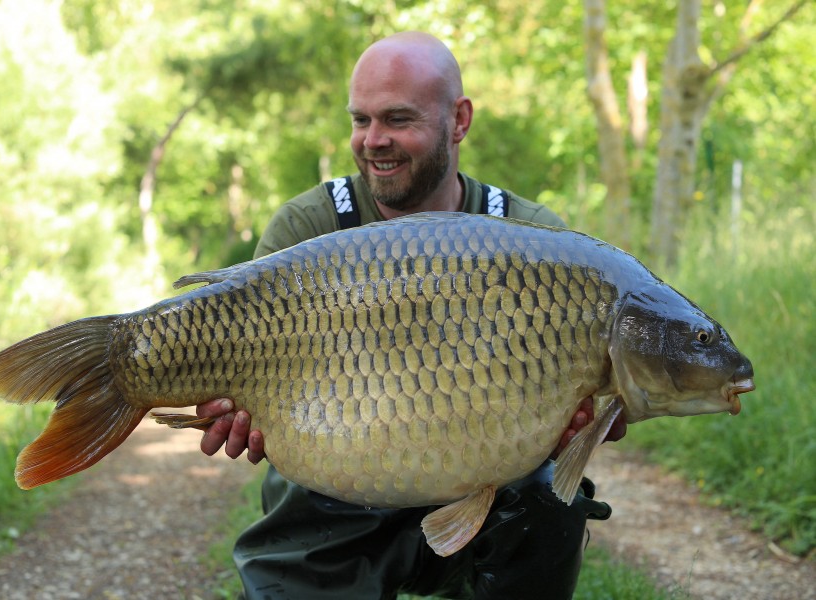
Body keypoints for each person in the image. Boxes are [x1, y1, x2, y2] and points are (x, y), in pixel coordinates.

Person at [196, 31, 627, 599]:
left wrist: (590, 426)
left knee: (551, 502)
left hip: (488, 496)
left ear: (459, 120)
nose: (374, 141)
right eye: (361, 120)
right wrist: (233, 411)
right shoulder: (306, 228)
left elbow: (586, 412)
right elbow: (243, 391)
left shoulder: (533, 239)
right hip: (334, 498)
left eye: (398, 120)